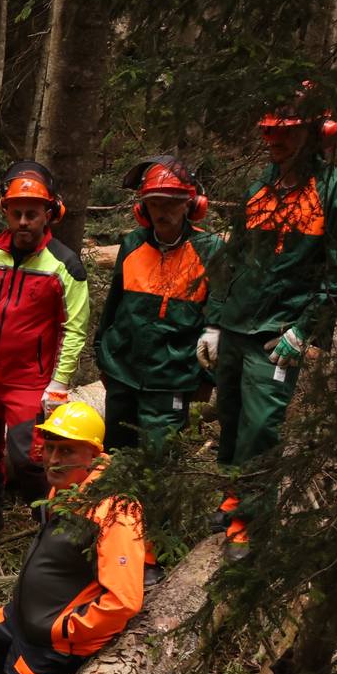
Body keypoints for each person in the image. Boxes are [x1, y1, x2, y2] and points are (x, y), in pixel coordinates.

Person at [199, 86, 337, 561]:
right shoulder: (260, 185)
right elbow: (233, 260)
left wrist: (305, 327)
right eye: (269, 132)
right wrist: (215, 322)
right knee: (231, 414)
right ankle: (233, 494)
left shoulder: (336, 189)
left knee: (261, 424)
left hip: (279, 330)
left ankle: (251, 520)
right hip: (238, 322)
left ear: (315, 134)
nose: (273, 141)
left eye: (286, 133)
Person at [0, 403, 144, 674]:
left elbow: (123, 601)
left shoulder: (116, 511)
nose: (52, 459)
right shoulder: (66, 487)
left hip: (50, 646)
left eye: (66, 451)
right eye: (49, 448)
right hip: (19, 618)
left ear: (94, 455)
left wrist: (65, 630)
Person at [0, 160, 91, 554]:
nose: (24, 221)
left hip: (29, 380)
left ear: (49, 213)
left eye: (32, 213)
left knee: (29, 455)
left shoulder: (64, 265)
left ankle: (46, 516)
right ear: (6, 212)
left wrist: (59, 383)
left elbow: (75, 328)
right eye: (17, 213)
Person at [96, 158, 221, 456]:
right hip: (123, 370)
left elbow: (219, 315)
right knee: (113, 456)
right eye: (154, 204)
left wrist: (207, 377)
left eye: (170, 203)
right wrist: (102, 354)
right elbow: (113, 306)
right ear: (143, 208)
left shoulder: (209, 249)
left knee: (159, 457)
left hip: (173, 377)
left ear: (190, 204)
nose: (162, 212)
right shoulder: (133, 245)